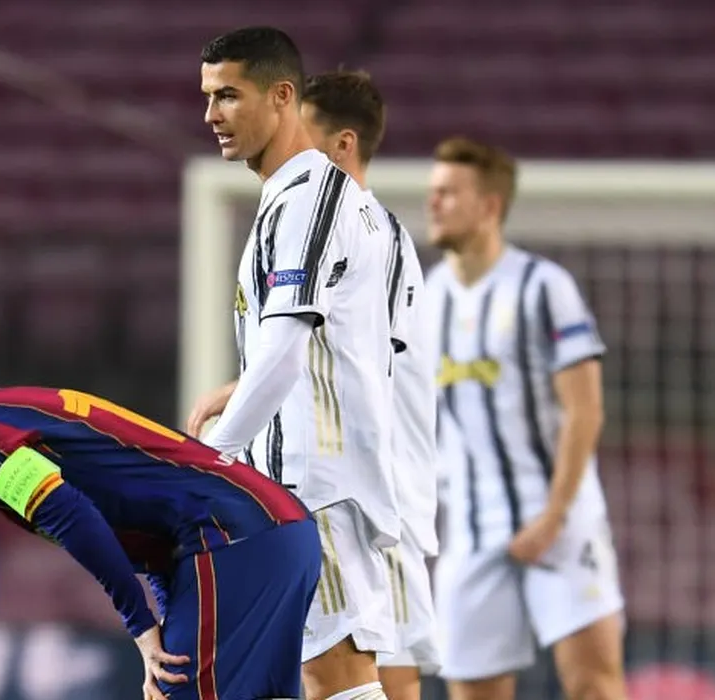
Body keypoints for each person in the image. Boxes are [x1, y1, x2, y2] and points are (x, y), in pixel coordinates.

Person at [0, 324, 321, 700]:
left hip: (231, 537)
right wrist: (162, 627)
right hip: (269, 531)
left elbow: (71, 515)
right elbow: (150, 527)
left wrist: (140, 626)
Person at [189, 26, 402, 700]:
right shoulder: (313, 200)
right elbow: (328, 344)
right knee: (317, 675)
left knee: (335, 674)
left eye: (229, 95)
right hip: (316, 475)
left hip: (316, 480)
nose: (211, 114)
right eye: (207, 97)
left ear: (282, 96)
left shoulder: (310, 199)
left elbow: (284, 351)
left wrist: (210, 461)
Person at [421, 137, 627, 700]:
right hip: (470, 526)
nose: (433, 202)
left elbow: (585, 408)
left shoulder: (543, 288)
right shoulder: (426, 299)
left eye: (448, 192)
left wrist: (554, 515)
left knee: (593, 684)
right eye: (433, 191)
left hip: (557, 521)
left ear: (490, 206)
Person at [299, 70, 440, 700]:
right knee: (360, 675)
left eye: (302, 135)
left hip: (376, 496)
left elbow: (358, 360)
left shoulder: (368, 232)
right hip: (372, 493)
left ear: (343, 144)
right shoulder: (357, 231)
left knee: (360, 676)